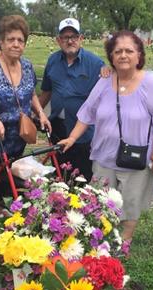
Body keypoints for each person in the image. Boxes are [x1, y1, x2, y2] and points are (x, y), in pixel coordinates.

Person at [58, 31, 153, 242]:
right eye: (118, 51)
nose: (123, 55)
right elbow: (87, 112)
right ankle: (101, 235)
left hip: (136, 156)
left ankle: (124, 240)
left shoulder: (149, 84)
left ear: (139, 55)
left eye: (129, 51)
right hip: (104, 154)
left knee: (130, 200)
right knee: (100, 198)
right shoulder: (104, 81)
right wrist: (72, 138)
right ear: (111, 56)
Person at [0, 15, 50, 219]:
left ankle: (7, 205)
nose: (16, 44)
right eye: (11, 39)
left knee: (12, 170)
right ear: (2, 41)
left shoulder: (27, 66)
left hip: (18, 134)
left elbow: (32, 94)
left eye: (20, 40)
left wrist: (41, 114)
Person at [38, 18, 104, 181]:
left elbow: (104, 100)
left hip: (84, 132)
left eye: (74, 36)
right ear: (58, 40)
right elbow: (46, 91)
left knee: (81, 177)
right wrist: (36, 114)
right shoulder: (53, 60)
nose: (70, 41)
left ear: (81, 38)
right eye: (65, 37)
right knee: (59, 174)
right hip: (57, 128)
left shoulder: (95, 64)